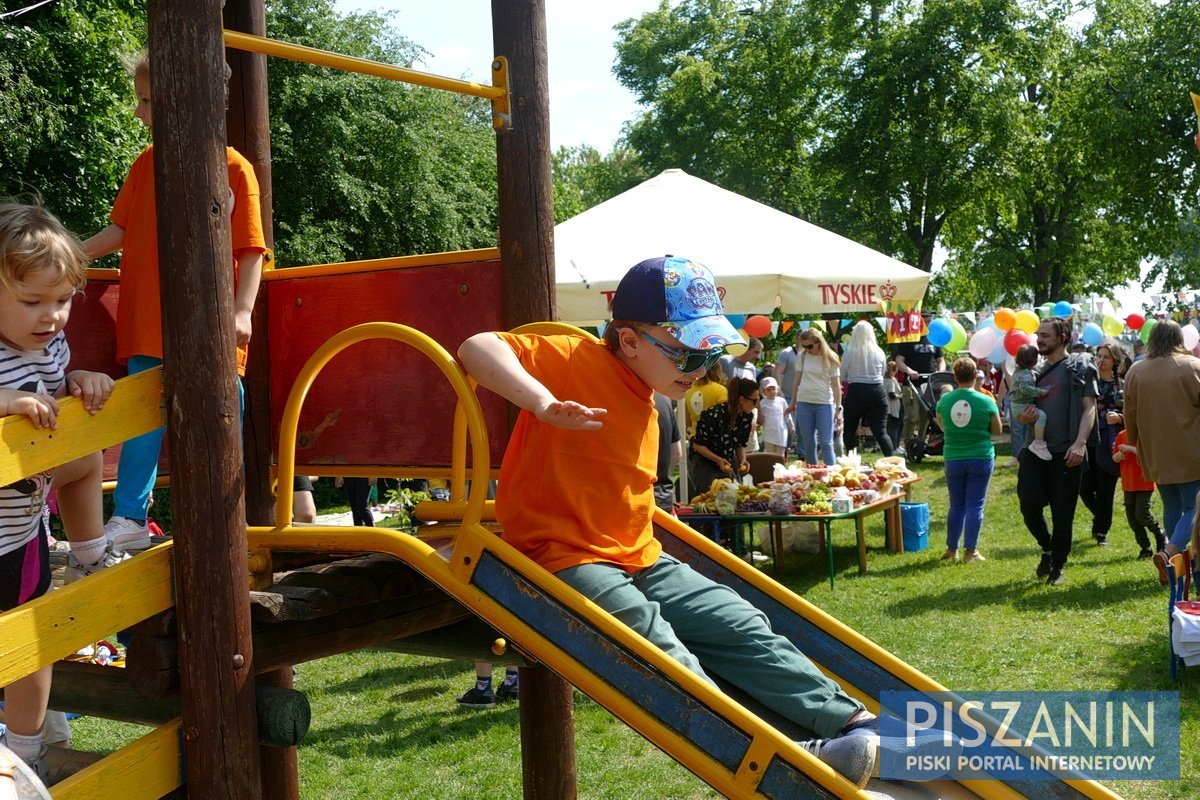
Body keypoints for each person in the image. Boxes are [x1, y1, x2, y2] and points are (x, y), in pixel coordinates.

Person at [458, 256, 895, 787]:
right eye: (686, 351)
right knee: (653, 643)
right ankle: (789, 757)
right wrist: (542, 402)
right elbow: (477, 347)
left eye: (708, 351)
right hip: (564, 556)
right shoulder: (576, 358)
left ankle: (850, 720)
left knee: (738, 621)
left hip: (638, 555)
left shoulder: (652, 399)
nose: (699, 366)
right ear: (628, 339)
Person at [82, 53, 267, 554]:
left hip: (209, 325)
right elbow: (121, 229)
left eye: (147, 101)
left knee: (223, 409)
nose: (139, 112)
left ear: (186, 102)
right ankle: (129, 516)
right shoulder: (145, 164)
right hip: (148, 321)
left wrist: (242, 311)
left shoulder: (232, 167)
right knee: (143, 414)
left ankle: (223, 511)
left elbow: (251, 249)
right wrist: (69, 254)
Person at [0, 200, 115, 782]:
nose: (50, 316)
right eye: (31, 302)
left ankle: (25, 754)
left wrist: (78, 380)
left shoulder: (50, 347)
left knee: (31, 641)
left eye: (64, 300)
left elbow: (55, 401)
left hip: (20, 530)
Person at [1016, 318, 1098, 587]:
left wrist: (1080, 443)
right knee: (1029, 505)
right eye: (1038, 335)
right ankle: (1047, 547)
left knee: (1063, 513)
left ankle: (1057, 566)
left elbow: (1089, 408)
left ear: (1063, 337)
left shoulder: (1079, 366)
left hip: (1067, 452)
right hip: (1036, 451)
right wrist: (1025, 418)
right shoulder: (1033, 372)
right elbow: (1019, 411)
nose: (1039, 340)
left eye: (1046, 335)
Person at [1122, 320, 1200, 583]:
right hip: (1191, 447)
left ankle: (1174, 566)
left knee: (1173, 506)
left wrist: (1136, 442)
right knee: (1195, 508)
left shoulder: (1135, 371)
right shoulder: (1192, 366)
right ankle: (1170, 553)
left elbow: (1129, 414)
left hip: (1155, 449)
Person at [934, 357, 1002, 562]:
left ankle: (951, 549)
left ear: (955, 377)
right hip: (980, 456)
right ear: (975, 376)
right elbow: (998, 431)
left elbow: (942, 425)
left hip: (954, 456)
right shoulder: (986, 400)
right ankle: (970, 551)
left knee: (956, 505)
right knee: (975, 505)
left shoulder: (944, 400)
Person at [1078, 340, 1124, 547]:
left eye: (1106, 357)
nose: (1101, 360)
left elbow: (1135, 411)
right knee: (1084, 487)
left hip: (1110, 440)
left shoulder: (1122, 385)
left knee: (1106, 489)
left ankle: (1101, 532)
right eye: (1099, 356)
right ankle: (1102, 517)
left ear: (1115, 360)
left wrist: (1120, 417)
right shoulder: (1089, 382)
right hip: (1089, 438)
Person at [689, 378, 758, 498]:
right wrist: (717, 459)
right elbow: (698, 445)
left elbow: (740, 443)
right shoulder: (714, 414)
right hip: (705, 462)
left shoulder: (746, 416)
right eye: (755, 401)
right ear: (742, 399)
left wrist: (743, 460)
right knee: (708, 498)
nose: (756, 405)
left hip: (727, 461)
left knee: (733, 496)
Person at [787, 327, 841, 466]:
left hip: (824, 403)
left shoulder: (831, 357)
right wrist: (792, 403)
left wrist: (838, 408)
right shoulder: (802, 356)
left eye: (809, 346)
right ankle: (813, 474)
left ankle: (832, 474)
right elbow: (796, 381)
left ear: (818, 342)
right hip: (804, 402)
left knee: (826, 442)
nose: (807, 349)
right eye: (804, 346)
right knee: (808, 444)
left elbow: (836, 385)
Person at [839, 321, 894, 456]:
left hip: (856, 391)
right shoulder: (879, 352)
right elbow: (882, 373)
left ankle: (851, 461)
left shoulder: (849, 352)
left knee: (850, 430)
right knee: (881, 432)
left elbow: (843, 375)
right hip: (877, 391)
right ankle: (892, 461)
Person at [1111, 429, 1164, 559]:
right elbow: (1114, 457)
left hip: (1144, 481)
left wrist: (1129, 448)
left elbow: (1147, 455)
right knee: (1133, 519)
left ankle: (1160, 535)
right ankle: (1145, 548)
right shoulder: (1122, 435)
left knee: (1142, 513)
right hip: (1128, 483)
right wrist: (1118, 456)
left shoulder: (1144, 434)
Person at [891, 325, 944, 453]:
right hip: (911, 384)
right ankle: (909, 446)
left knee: (927, 416)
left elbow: (941, 360)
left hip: (929, 385)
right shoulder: (908, 339)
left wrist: (940, 372)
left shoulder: (933, 339)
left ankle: (922, 445)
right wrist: (909, 371)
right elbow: (899, 360)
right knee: (911, 416)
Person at [1008, 344, 1051, 461]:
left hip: (1019, 406)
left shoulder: (1020, 371)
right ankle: (1038, 443)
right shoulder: (1024, 374)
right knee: (1041, 416)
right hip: (1021, 406)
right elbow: (1025, 388)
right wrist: (1040, 392)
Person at [653, 392, 682, 511]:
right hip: (663, 495)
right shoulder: (665, 399)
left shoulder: (629, 396)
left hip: (637, 497)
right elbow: (677, 453)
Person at [682, 364, 727, 439]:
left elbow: (687, 421)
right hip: (715, 439)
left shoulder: (688, 391)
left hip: (695, 437)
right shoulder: (721, 390)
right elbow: (725, 419)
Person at [757, 377, 792, 457]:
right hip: (769, 432)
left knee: (780, 453)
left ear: (777, 389)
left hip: (781, 431)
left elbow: (786, 414)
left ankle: (780, 468)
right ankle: (770, 468)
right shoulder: (763, 403)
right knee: (770, 454)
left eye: (773, 389)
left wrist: (791, 425)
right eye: (768, 390)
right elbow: (760, 416)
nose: (771, 392)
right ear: (764, 392)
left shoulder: (781, 401)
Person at [884, 360, 902, 455]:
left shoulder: (883, 380)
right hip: (893, 406)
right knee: (894, 427)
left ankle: (895, 446)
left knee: (889, 428)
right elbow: (892, 395)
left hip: (886, 407)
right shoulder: (891, 380)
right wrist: (901, 396)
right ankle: (895, 447)